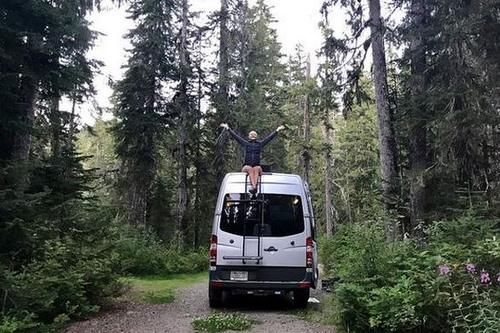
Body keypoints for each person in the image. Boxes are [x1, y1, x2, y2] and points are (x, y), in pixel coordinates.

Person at [220, 123, 285, 194]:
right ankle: (254, 187)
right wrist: (228, 129)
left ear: (256, 136)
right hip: (247, 167)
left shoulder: (259, 144)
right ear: (249, 136)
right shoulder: (246, 144)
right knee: (250, 169)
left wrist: (277, 130)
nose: (253, 136)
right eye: (251, 135)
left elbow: (269, 138)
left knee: (256, 169)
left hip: (256, 166)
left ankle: (254, 188)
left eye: (254, 135)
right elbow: (236, 137)